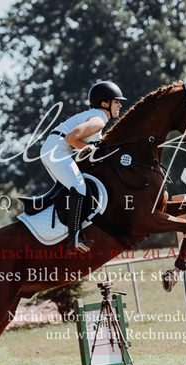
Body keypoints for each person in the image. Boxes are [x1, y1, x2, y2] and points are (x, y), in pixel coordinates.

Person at [40, 81, 126, 253]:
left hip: (53, 148)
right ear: (105, 103)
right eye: (116, 101)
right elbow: (71, 139)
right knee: (78, 186)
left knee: (70, 190)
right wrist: (88, 149)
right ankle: (74, 238)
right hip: (57, 149)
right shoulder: (98, 120)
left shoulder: (96, 117)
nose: (120, 105)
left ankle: (63, 232)